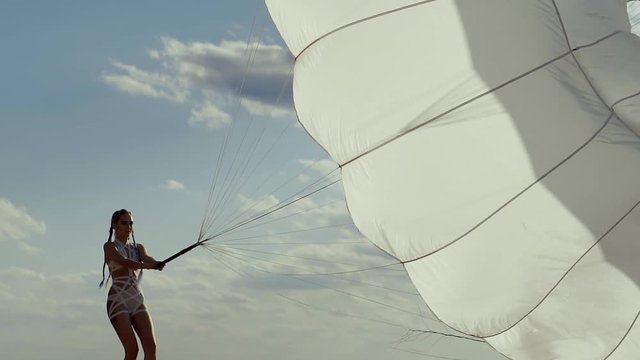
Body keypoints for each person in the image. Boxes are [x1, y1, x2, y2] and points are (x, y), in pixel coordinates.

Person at [100, 209, 165, 360]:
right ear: (114, 225)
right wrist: (149, 266)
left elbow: (147, 258)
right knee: (132, 350)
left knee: (151, 347)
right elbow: (124, 261)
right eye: (124, 223)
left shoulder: (138, 248)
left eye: (131, 223)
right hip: (118, 299)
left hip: (136, 298)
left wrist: (156, 263)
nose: (128, 226)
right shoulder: (109, 247)